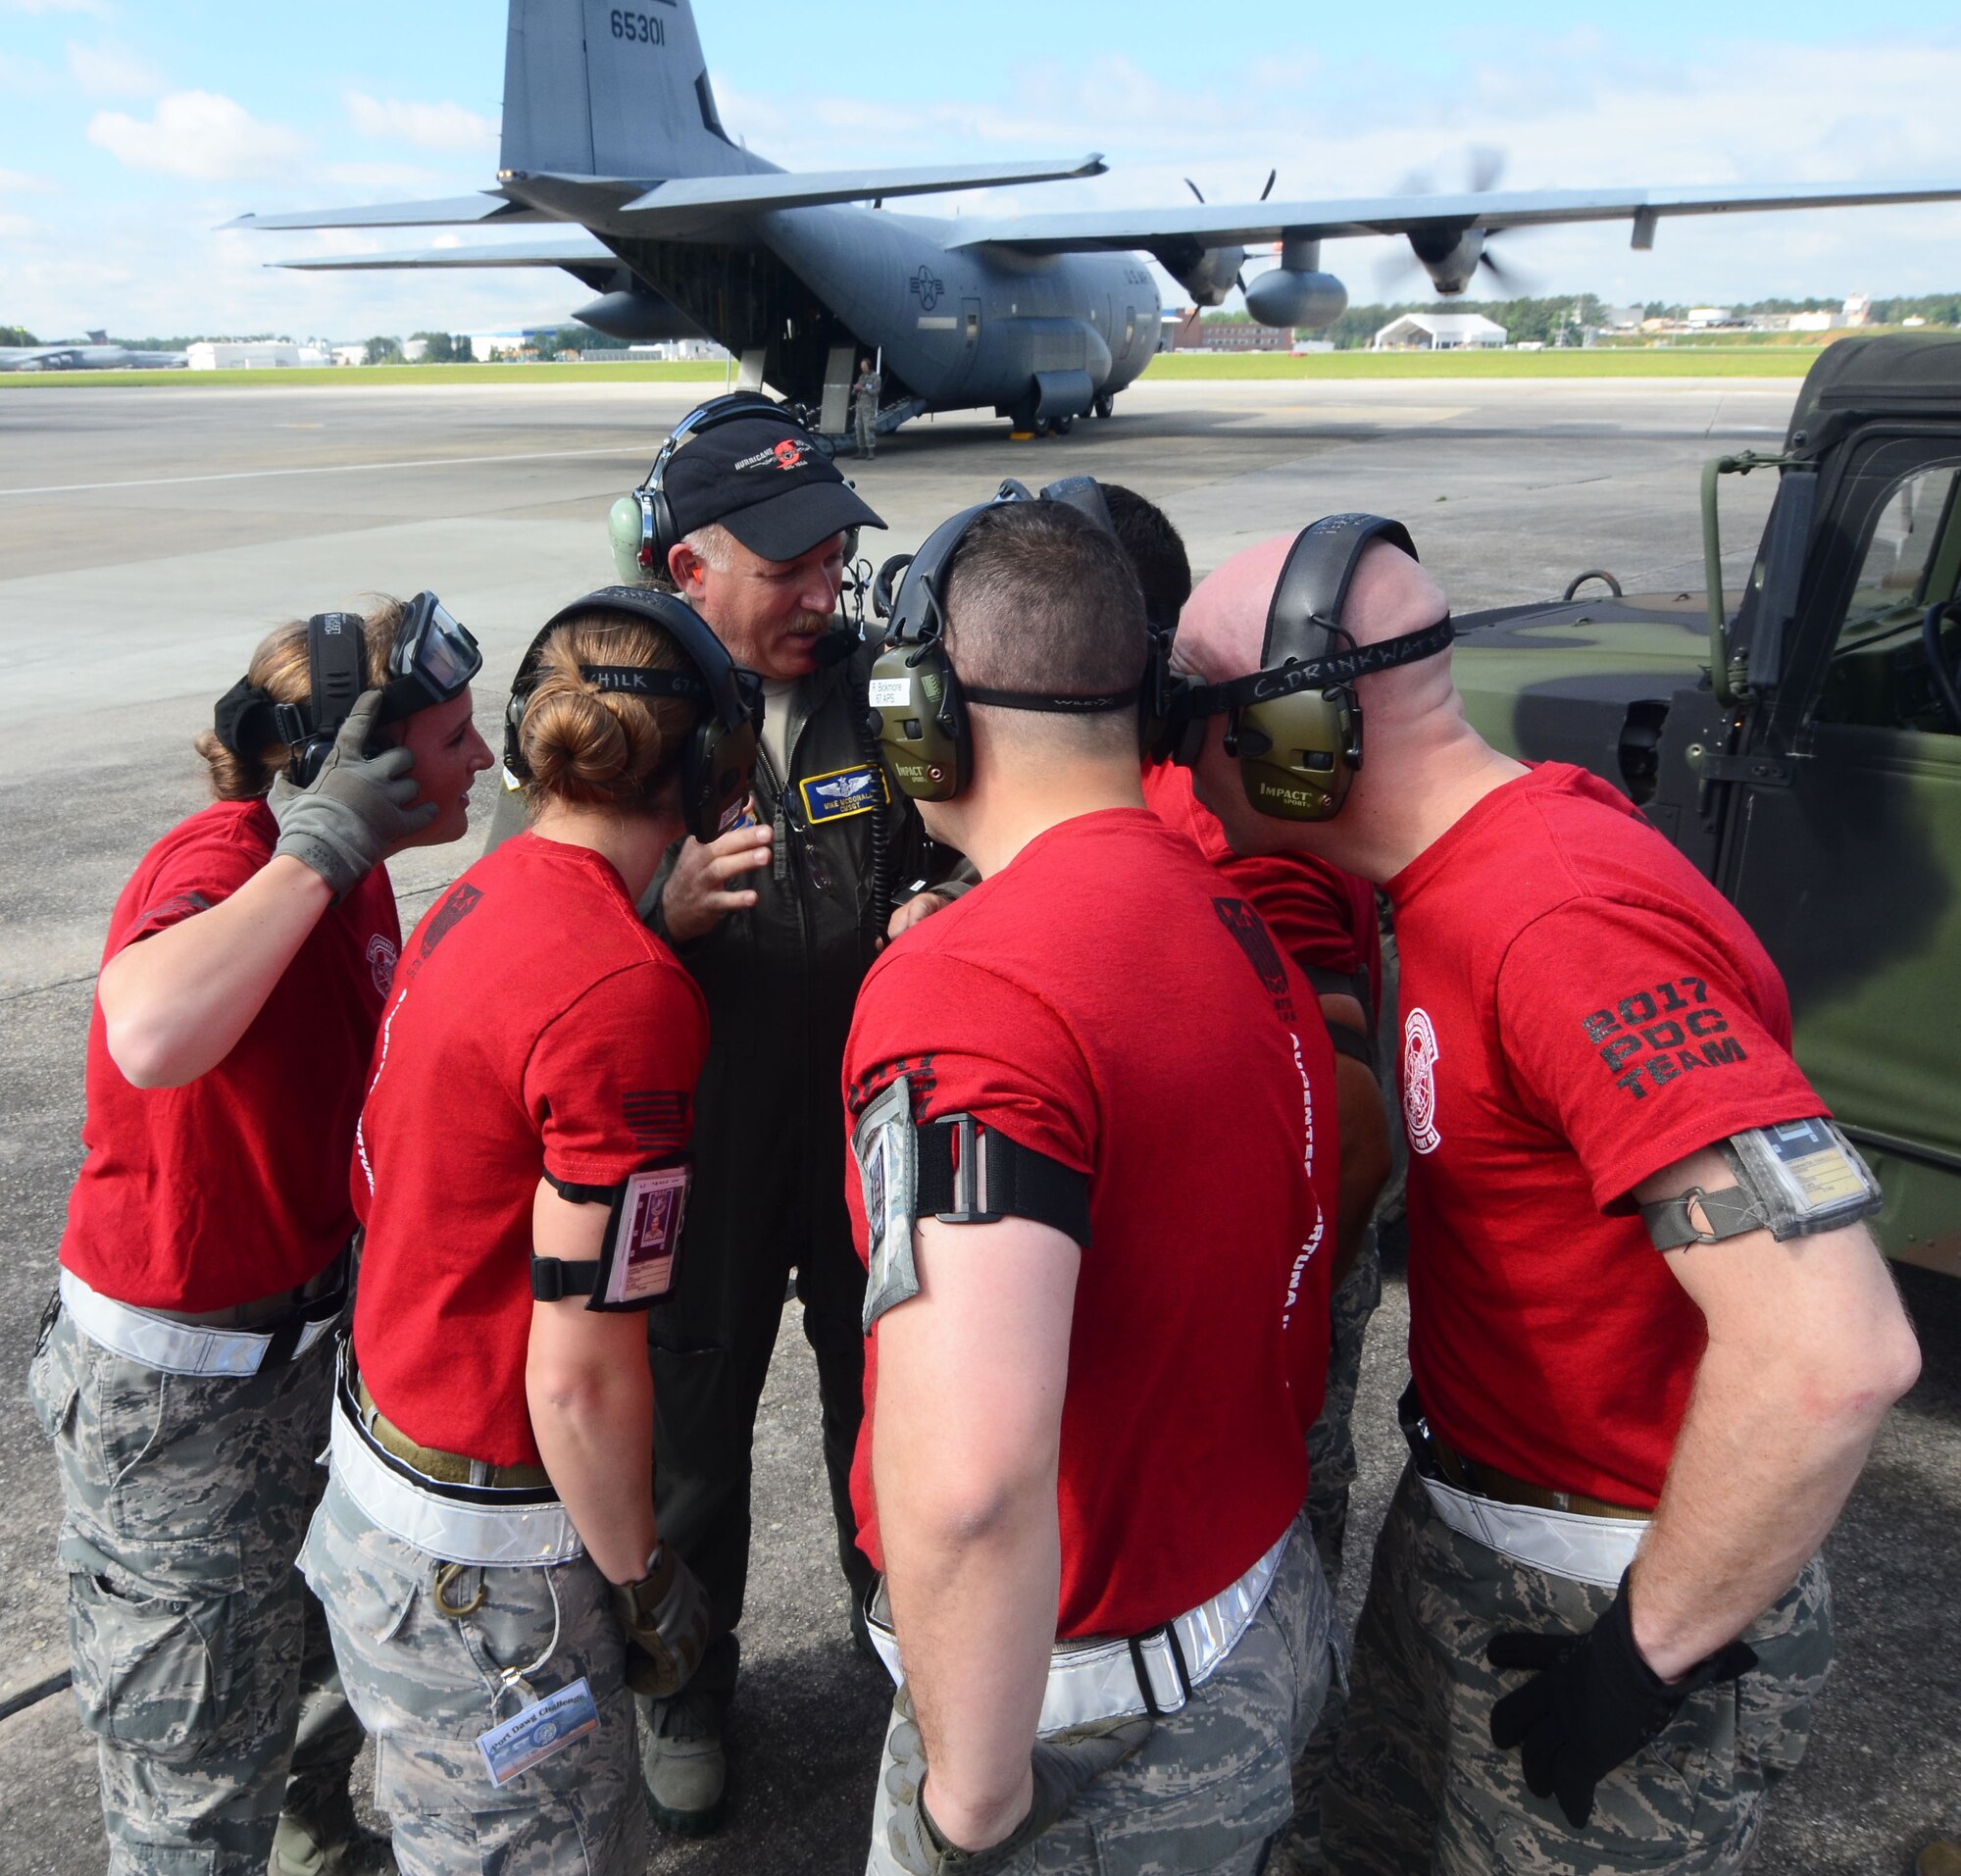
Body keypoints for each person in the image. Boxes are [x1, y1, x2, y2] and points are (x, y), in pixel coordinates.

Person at [1171, 521, 1924, 1875]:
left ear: (1295, 732)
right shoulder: (1469, 881)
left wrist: (1642, 1659)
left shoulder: (1560, 922)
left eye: (1195, 720)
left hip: (1601, 1587)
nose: (1177, 761)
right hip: (1472, 1518)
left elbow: (1835, 1350)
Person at [846, 494, 1345, 1875]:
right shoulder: (1237, 919)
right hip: (1249, 1619)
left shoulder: (968, 989)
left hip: (1079, 1706)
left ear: (924, 712)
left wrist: (970, 1807)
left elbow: (969, 1485)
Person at [531, 397, 965, 1833]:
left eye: (833, 557)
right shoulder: (605, 698)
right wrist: (651, 916)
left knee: (891, 1409)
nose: (822, 590)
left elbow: (980, 832)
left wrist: (949, 906)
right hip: (696, 1158)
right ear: (684, 568)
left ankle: (901, 1645)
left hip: (858, 1142)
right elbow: (526, 924)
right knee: (692, 1439)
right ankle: (683, 1682)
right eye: (785, 563)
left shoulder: (886, 687)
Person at [27, 594, 493, 1876]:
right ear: (358, 767)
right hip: (180, 1415)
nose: (486, 762)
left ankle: (310, 1839)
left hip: (299, 1360)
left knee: (299, 1679)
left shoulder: (348, 892)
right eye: (457, 741)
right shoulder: (227, 859)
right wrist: (319, 847)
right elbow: (150, 1031)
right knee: (187, 1790)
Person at [301, 589, 738, 1873]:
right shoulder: (626, 993)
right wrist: (649, 1578)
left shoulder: (481, 894)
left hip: (386, 1487)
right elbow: (582, 1369)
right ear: (702, 767)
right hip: (493, 1574)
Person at [1099, 481, 1392, 1874]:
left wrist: (1279, 1255)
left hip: (1270, 1250)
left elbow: (1340, 1086)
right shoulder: (1147, 799)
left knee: (1288, 1482)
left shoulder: (1219, 813)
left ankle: (1289, 1742)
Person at [852, 355, 882, 460]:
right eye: (861, 366)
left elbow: (875, 391)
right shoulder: (861, 377)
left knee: (868, 428)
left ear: (868, 366)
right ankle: (861, 450)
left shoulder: (876, 377)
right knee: (858, 428)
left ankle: (870, 451)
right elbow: (857, 390)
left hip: (869, 407)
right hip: (860, 406)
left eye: (864, 366)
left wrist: (863, 388)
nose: (863, 368)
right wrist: (855, 389)